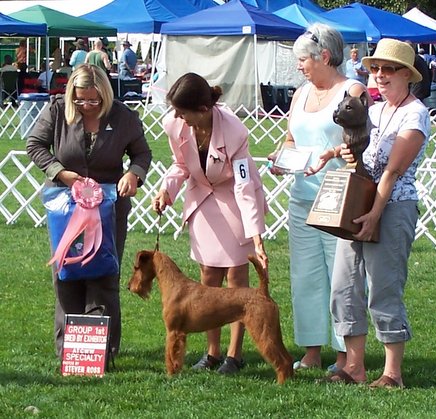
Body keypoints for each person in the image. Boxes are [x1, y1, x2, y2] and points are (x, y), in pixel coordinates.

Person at [26, 64, 152, 358]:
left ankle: (101, 350)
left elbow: (142, 153)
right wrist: (59, 171)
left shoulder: (123, 116)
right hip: (64, 208)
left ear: (105, 95)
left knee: (104, 274)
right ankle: (69, 349)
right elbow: (35, 144)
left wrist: (133, 174)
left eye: (93, 101)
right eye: (80, 100)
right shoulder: (58, 111)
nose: (86, 106)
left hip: (108, 209)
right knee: (67, 273)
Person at [328, 38, 430, 388]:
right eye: (376, 69)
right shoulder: (374, 110)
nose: (381, 76)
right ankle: (354, 367)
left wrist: (374, 214)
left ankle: (392, 374)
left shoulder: (415, 114)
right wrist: (345, 155)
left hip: (393, 206)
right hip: (360, 203)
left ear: (407, 75)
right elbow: (362, 156)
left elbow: (392, 172)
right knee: (344, 284)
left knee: (383, 288)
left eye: (389, 70)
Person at [267, 24, 369, 373]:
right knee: (306, 276)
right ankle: (311, 351)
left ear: (324, 56)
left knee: (342, 279)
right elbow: (292, 140)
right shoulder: (300, 95)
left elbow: (360, 142)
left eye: (303, 60)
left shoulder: (352, 90)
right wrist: (281, 159)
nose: (299, 66)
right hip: (302, 198)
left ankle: (344, 356)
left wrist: (333, 154)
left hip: (340, 199)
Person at [152, 72, 268, 375]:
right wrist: (167, 190)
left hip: (234, 201)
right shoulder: (175, 125)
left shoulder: (235, 132)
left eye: (183, 112)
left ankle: (234, 354)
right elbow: (180, 166)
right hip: (202, 199)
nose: (178, 117)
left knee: (237, 282)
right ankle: (212, 352)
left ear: (203, 109)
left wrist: (255, 234)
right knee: (207, 279)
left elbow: (243, 185)